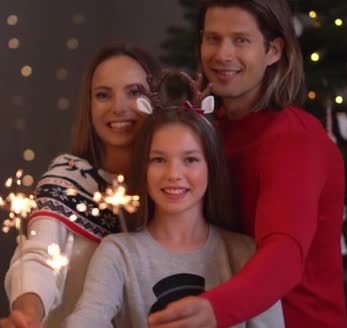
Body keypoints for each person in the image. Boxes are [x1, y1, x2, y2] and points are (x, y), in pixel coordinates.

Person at [148, 1, 347, 327]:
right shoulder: (206, 133)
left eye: (241, 40)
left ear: (273, 50)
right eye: (213, 39)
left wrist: (214, 308)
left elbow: (284, 252)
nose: (223, 54)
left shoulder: (294, 139)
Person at [64, 82, 284, 328]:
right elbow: (88, 318)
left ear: (211, 167)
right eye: (158, 160)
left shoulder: (244, 254)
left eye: (190, 159)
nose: (173, 174)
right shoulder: (119, 254)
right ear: (143, 168)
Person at [0, 43, 161, 328]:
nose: (118, 107)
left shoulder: (173, 188)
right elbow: (38, 254)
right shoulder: (68, 180)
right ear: (89, 105)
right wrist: (28, 311)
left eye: (135, 92)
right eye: (103, 95)